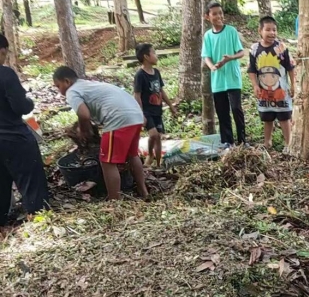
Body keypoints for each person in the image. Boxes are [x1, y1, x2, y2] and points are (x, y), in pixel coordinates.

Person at [53, 66, 148, 201]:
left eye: (58, 86)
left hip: (118, 119)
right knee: (132, 155)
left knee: (107, 162)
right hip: (136, 116)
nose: (60, 91)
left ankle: (114, 200)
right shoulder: (89, 85)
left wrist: (84, 130)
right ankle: (143, 191)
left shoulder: (72, 91)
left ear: (66, 81)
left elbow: (84, 115)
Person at [0, 33, 49, 226]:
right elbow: (21, 107)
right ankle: (39, 220)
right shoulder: (5, 74)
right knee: (31, 180)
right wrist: (29, 101)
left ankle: (3, 223)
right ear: (2, 50)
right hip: (13, 137)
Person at [247, 16, 296, 151]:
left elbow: (290, 68)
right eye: (268, 29)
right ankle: (267, 142)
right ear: (260, 31)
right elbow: (251, 69)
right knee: (267, 117)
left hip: (281, 91)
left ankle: (289, 143)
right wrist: (255, 85)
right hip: (264, 91)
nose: (272, 33)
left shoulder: (281, 48)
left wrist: (293, 85)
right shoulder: (254, 49)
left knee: (284, 117)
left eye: (274, 30)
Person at [201, 1, 246, 146]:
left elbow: (241, 52)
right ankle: (227, 142)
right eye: (214, 14)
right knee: (222, 112)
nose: (219, 16)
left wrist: (229, 59)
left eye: (220, 12)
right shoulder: (207, 36)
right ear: (207, 17)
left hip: (233, 78)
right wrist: (211, 66)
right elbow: (206, 55)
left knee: (236, 109)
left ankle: (242, 140)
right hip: (218, 80)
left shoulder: (231, 31)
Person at [133, 43, 177, 168]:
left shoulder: (156, 72)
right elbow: (137, 95)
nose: (156, 56)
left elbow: (161, 91)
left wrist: (171, 107)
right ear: (146, 56)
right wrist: (141, 114)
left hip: (157, 110)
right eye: (154, 53)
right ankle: (150, 155)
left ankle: (157, 164)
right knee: (154, 135)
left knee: (157, 138)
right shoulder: (140, 75)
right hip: (147, 111)